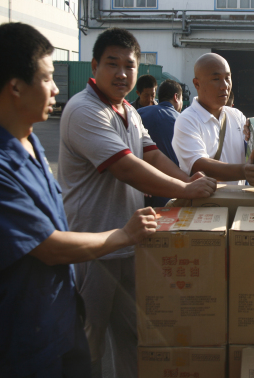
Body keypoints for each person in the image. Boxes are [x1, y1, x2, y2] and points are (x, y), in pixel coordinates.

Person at [0, 23, 158, 378]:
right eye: (47, 78)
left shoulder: (29, 145)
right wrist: (125, 234)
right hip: (15, 340)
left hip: (56, 319)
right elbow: (48, 247)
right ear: (16, 87)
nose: (56, 88)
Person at [58, 28, 216, 378]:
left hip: (130, 242)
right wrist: (186, 188)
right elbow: (126, 168)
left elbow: (152, 154)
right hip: (94, 247)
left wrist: (187, 181)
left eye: (129, 66)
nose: (121, 73)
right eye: (111, 64)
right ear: (94, 66)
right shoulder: (84, 110)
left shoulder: (129, 110)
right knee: (89, 343)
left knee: (133, 337)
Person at [172, 52, 254, 186]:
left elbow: (252, 151)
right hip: (207, 199)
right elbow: (198, 164)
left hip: (240, 198)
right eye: (216, 79)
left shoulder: (236, 115)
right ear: (197, 84)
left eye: (228, 78)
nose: (225, 86)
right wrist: (243, 171)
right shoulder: (187, 120)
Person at [138, 79, 184, 207]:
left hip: (141, 188)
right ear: (176, 97)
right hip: (172, 190)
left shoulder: (138, 114)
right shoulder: (181, 121)